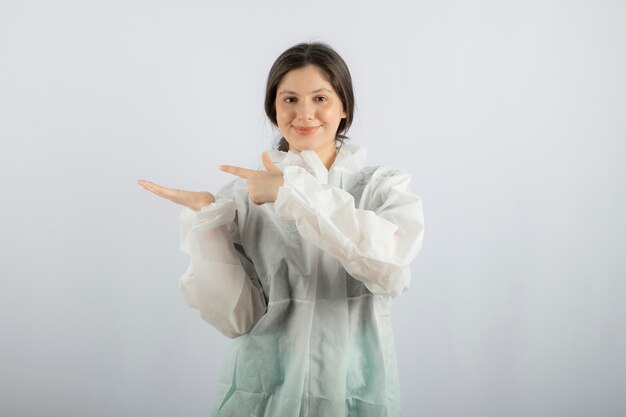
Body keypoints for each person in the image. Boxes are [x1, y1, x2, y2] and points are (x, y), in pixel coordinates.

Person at [137, 41, 425, 417]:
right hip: (264, 395)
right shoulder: (244, 196)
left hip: (351, 393)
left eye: (320, 98)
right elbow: (236, 318)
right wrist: (208, 223)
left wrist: (293, 193)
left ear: (344, 108)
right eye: (289, 99)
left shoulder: (382, 188)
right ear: (274, 109)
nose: (305, 113)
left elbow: (389, 269)